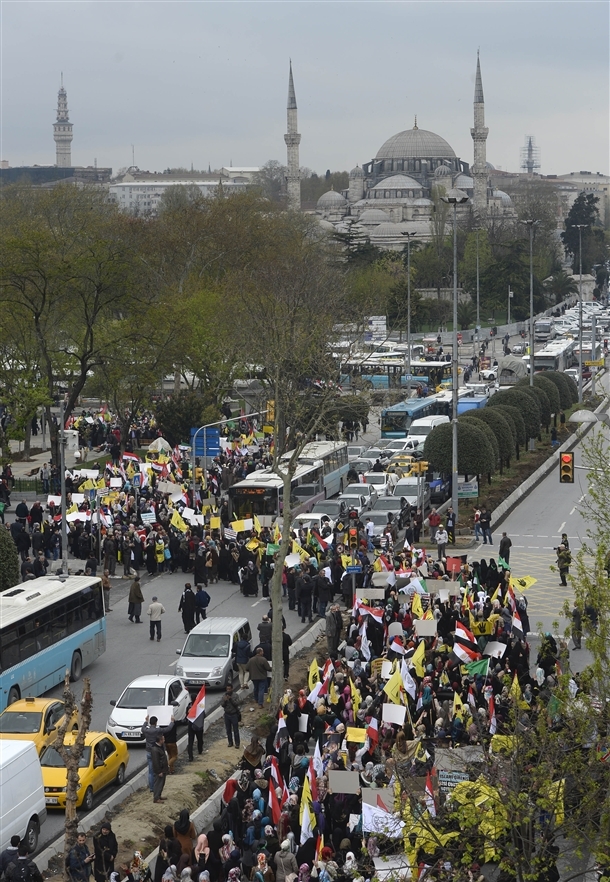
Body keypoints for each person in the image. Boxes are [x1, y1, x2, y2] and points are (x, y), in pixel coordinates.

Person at [142, 714, 175, 793]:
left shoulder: (146, 730)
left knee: (150, 771)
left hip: (149, 751)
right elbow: (168, 729)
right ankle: (157, 787)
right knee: (158, 769)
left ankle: (152, 788)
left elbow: (143, 728)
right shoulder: (158, 731)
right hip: (157, 752)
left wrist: (146, 721)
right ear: (156, 722)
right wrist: (172, 721)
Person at [221, 683, 241, 748]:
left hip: (234, 714)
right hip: (227, 715)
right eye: (227, 689)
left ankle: (237, 743)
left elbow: (237, 704)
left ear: (232, 689)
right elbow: (222, 705)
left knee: (235, 730)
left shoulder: (235, 695)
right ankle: (230, 742)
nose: (228, 690)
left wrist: (231, 699)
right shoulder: (224, 695)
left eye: (229, 689)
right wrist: (225, 701)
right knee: (228, 730)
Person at [151, 734, 169, 803]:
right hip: (160, 770)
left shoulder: (160, 747)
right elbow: (156, 762)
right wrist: (159, 771)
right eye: (163, 739)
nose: (164, 741)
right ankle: (156, 798)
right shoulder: (155, 750)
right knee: (158, 784)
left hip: (163, 769)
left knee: (161, 783)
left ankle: (159, 795)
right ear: (160, 740)